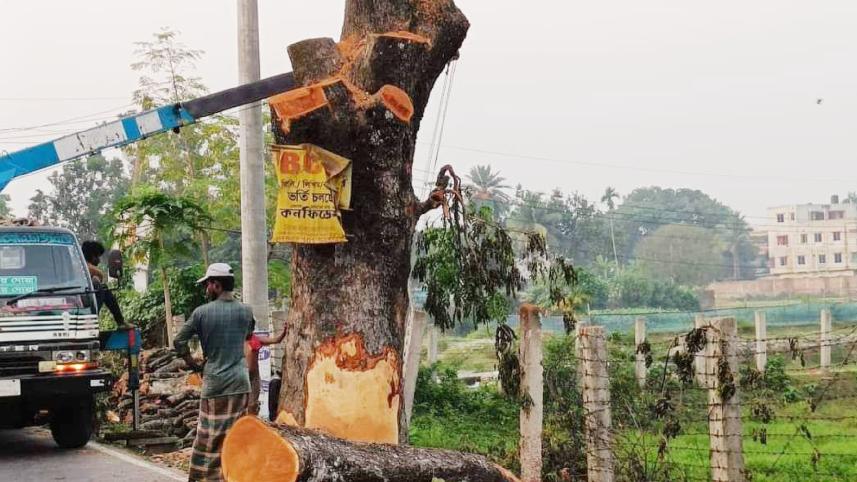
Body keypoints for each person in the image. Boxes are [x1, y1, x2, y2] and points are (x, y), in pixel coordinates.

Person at [174, 263, 255, 482]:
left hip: (215, 383)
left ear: (216, 285)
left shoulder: (201, 313)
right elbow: (249, 335)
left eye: (208, 285)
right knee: (235, 435)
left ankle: (204, 479)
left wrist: (193, 364)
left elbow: (178, 340)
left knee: (208, 437)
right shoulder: (246, 311)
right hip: (240, 382)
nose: (206, 289)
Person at [81, 241, 128, 328]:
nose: (99, 261)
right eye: (97, 257)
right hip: (81, 310)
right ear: (91, 256)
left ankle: (121, 322)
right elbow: (96, 273)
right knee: (103, 288)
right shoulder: (82, 268)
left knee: (103, 288)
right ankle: (120, 322)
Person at [244, 323, 287, 414]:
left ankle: (252, 422)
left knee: (252, 404)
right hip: (241, 377)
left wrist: (284, 332)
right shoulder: (236, 341)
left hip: (254, 376)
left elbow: (276, 340)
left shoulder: (256, 339)